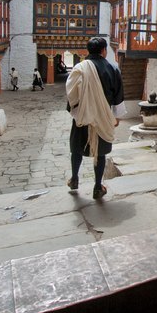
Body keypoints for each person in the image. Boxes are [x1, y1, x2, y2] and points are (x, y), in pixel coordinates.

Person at [65, 37, 123, 200]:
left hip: (82, 116)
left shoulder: (79, 68)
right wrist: (117, 116)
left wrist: (76, 111)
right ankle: (98, 187)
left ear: (88, 51)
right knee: (101, 153)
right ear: (104, 50)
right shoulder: (112, 69)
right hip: (103, 117)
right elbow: (118, 94)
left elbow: (71, 93)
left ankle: (74, 179)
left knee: (76, 149)